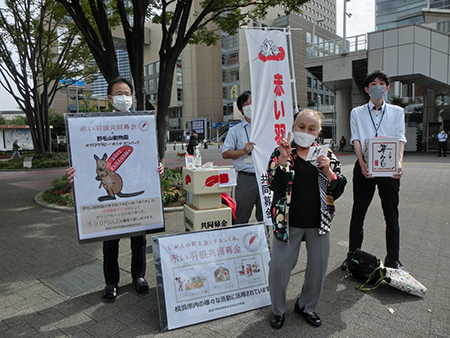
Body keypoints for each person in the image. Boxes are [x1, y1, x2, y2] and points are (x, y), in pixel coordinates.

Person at [66, 77, 164, 302]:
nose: (124, 97)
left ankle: (138, 277)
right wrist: (74, 172)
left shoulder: (141, 125)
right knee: (110, 240)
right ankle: (111, 282)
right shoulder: (95, 125)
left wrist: (157, 167)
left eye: (127, 93)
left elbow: (147, 156)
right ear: (110, 98)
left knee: (138, 238)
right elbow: (82, 155)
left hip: (135, 190)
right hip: (111, 200)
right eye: (119, 93)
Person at [267, 110, 346, 329]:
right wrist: (283, 161)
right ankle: (277, 310)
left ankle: (306, 306)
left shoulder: (325, 154)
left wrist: (328, 171)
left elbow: (338, 188)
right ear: (293, 126)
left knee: (318, 266)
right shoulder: (282, 151)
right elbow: (273, 185)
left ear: (319, 132)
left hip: (318, 220)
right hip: (288, 220)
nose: (306, 131)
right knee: (280, 266)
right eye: (301, 126)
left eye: (312, 128)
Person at [342, 70, 407, 271]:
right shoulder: (357, 112)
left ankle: (393, 258)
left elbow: (400, 138)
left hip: (389, 169)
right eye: (373, 84)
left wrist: (400, 162)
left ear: (387, 88)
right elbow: (356, 138)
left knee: (391, 213)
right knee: (358, 212)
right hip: (365, 168)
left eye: (381, 83)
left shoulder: (397, 111)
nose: (377, 87)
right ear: (367, 89)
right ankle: (353, 255)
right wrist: (361, 162)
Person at [222, 90, 263, 224]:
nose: (250, 106)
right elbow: (225, 153)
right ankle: (240, 243)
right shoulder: (235, 130)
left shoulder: (266, 128)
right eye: (246, 104)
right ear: (240, 109)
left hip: (265, 177)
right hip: (247, 178)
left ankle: (264, 243)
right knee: (242, 215)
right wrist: (243, 151)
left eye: (252, 103)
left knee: (265, 216)